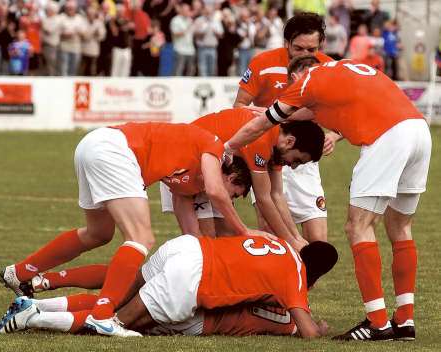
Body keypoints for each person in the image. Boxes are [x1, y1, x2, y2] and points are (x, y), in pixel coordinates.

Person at [224, 55, 431, 341]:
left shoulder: (307, 82)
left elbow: (263, 124)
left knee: (358, 226)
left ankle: (377, 323)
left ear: (300, 74)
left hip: (388, 136)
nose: (289, 91)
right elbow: (303, 114)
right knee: (400, 228)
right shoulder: (344, 66)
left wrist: (229, 146)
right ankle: (405, 320)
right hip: (419, 130)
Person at [0, 122, 262, 336]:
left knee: (98, 233)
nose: (230, 200)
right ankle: (102, 316)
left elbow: (191, 222)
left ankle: (19, 273)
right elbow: (217, 191)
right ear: (230, 175)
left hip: (93, 145)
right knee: (141, 238)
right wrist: (244, 231)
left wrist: (203, 254)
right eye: (235, 194)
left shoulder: (189, 178)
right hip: (115, 150)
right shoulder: (214, 146)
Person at [0, 236, 338, 338]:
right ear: (317, 274)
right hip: (192, 279)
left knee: (112, 301)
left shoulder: (278, 244)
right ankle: (33, 317)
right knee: (114, 324)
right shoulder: (294, 278)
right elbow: (306, 331)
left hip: (187, 247)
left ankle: (40, 304)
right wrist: (320, 329)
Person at [234, 12, 340, 243]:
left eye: (311, 50)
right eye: (298, 48)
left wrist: (334, 134)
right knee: (270, 228)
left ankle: (309, 280)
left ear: (320, 44)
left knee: (318, 237)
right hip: (267, 155)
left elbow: (344, 112)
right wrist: (267, 124)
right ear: (286, 43)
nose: (305, 55)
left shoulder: (329, 68)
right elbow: (240, 105)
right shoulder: (262, 64)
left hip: (304, 158)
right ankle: (282, 279)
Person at [161, 108, 325, 245]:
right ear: (289, 142)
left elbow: (276, 195)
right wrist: (291, 240)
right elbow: (263, 199)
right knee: (204, 242)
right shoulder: (262, 139)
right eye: (297, 160)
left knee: (226, 238)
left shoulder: (277, 147)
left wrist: (295, 237)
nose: (293, 166)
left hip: (208, 173)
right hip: (184, 166)